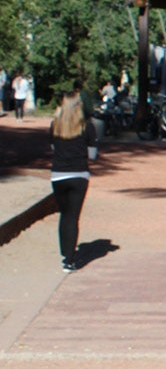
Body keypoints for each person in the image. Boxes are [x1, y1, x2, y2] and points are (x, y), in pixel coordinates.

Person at [50, 87, 97, 272]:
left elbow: (53, 148)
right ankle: (69, 259)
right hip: (79, 175)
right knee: (73, 217)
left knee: (64, 215)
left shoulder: (55, 125)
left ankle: (65, 254)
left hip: (58, 174)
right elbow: (92, 154)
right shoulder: (87, 126)